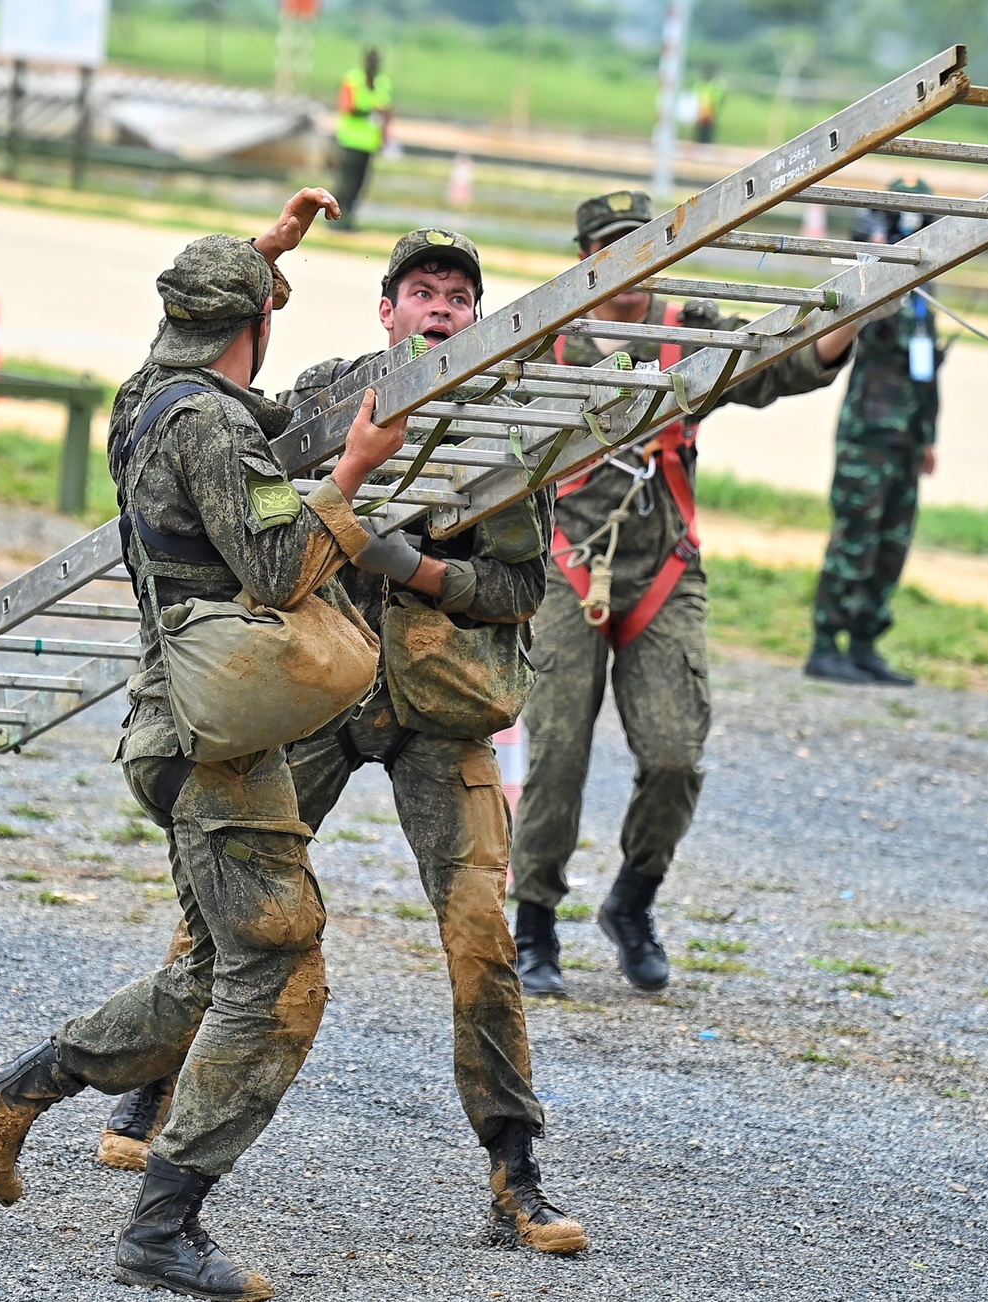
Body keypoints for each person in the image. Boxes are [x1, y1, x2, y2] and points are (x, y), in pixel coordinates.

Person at [0, 189, 418, 1301]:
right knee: (279, 972)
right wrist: (352, 470)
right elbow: (279, 570)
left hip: (185, 723)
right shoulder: (213, 426)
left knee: (211, 969)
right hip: (213, 736)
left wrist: (255, 255)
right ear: (255, 325)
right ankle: (162, 1228)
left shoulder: (145, 397)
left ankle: (6, 1099)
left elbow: (195, 333)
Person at [96, 228, 586, 1257]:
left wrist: (417, 570)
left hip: (440, 703)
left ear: (477, 314)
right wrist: (255, 269)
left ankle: (516, 1173)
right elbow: (220, 430)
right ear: (387, 310)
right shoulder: (329, 395)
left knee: (480, 937)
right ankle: (148, 1096)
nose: (441, 306)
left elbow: (519, 589)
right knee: (232, 900)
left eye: (459, 294)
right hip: (323, 692)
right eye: (422, 290)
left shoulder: (507, 422)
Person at [509, 189, 863, 998]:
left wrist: (858, 307)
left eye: (646, 248)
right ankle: (533, 923)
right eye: (613, 249)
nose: (632, 267)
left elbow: (786, 364)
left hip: (663, 571)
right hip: (566, 566)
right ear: (584, 260)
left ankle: (633, 900)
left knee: (675, 752)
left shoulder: (689, 330)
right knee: (557, 751)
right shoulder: (543, 341)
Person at [807, 177, 944, 687]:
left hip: (906, 438)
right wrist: (877, 249)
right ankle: (826, 644)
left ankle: (865, 643)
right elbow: (858, 315)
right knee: (854, 541)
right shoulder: (875, 276)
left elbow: (924, 372)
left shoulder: (927, 289)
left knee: (891, 544)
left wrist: (926, 435)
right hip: (867, 435)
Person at [334, 46, 393, 230]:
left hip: (369, 142)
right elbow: (346, 106)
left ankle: (349, 219)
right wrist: (371, 109)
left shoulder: (383, 83)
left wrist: (384, 137)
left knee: (360, 184)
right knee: (346, 183)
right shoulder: (353, 80)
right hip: (351, 140)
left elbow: (386, 112)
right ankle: (336, 219)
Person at [693, 65, 726, 145]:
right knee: (699, 135)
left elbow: (718, 99)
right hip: (700, 113)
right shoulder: (700, 84)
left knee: (707, 134)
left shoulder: (715, 85)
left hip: (710, 112)